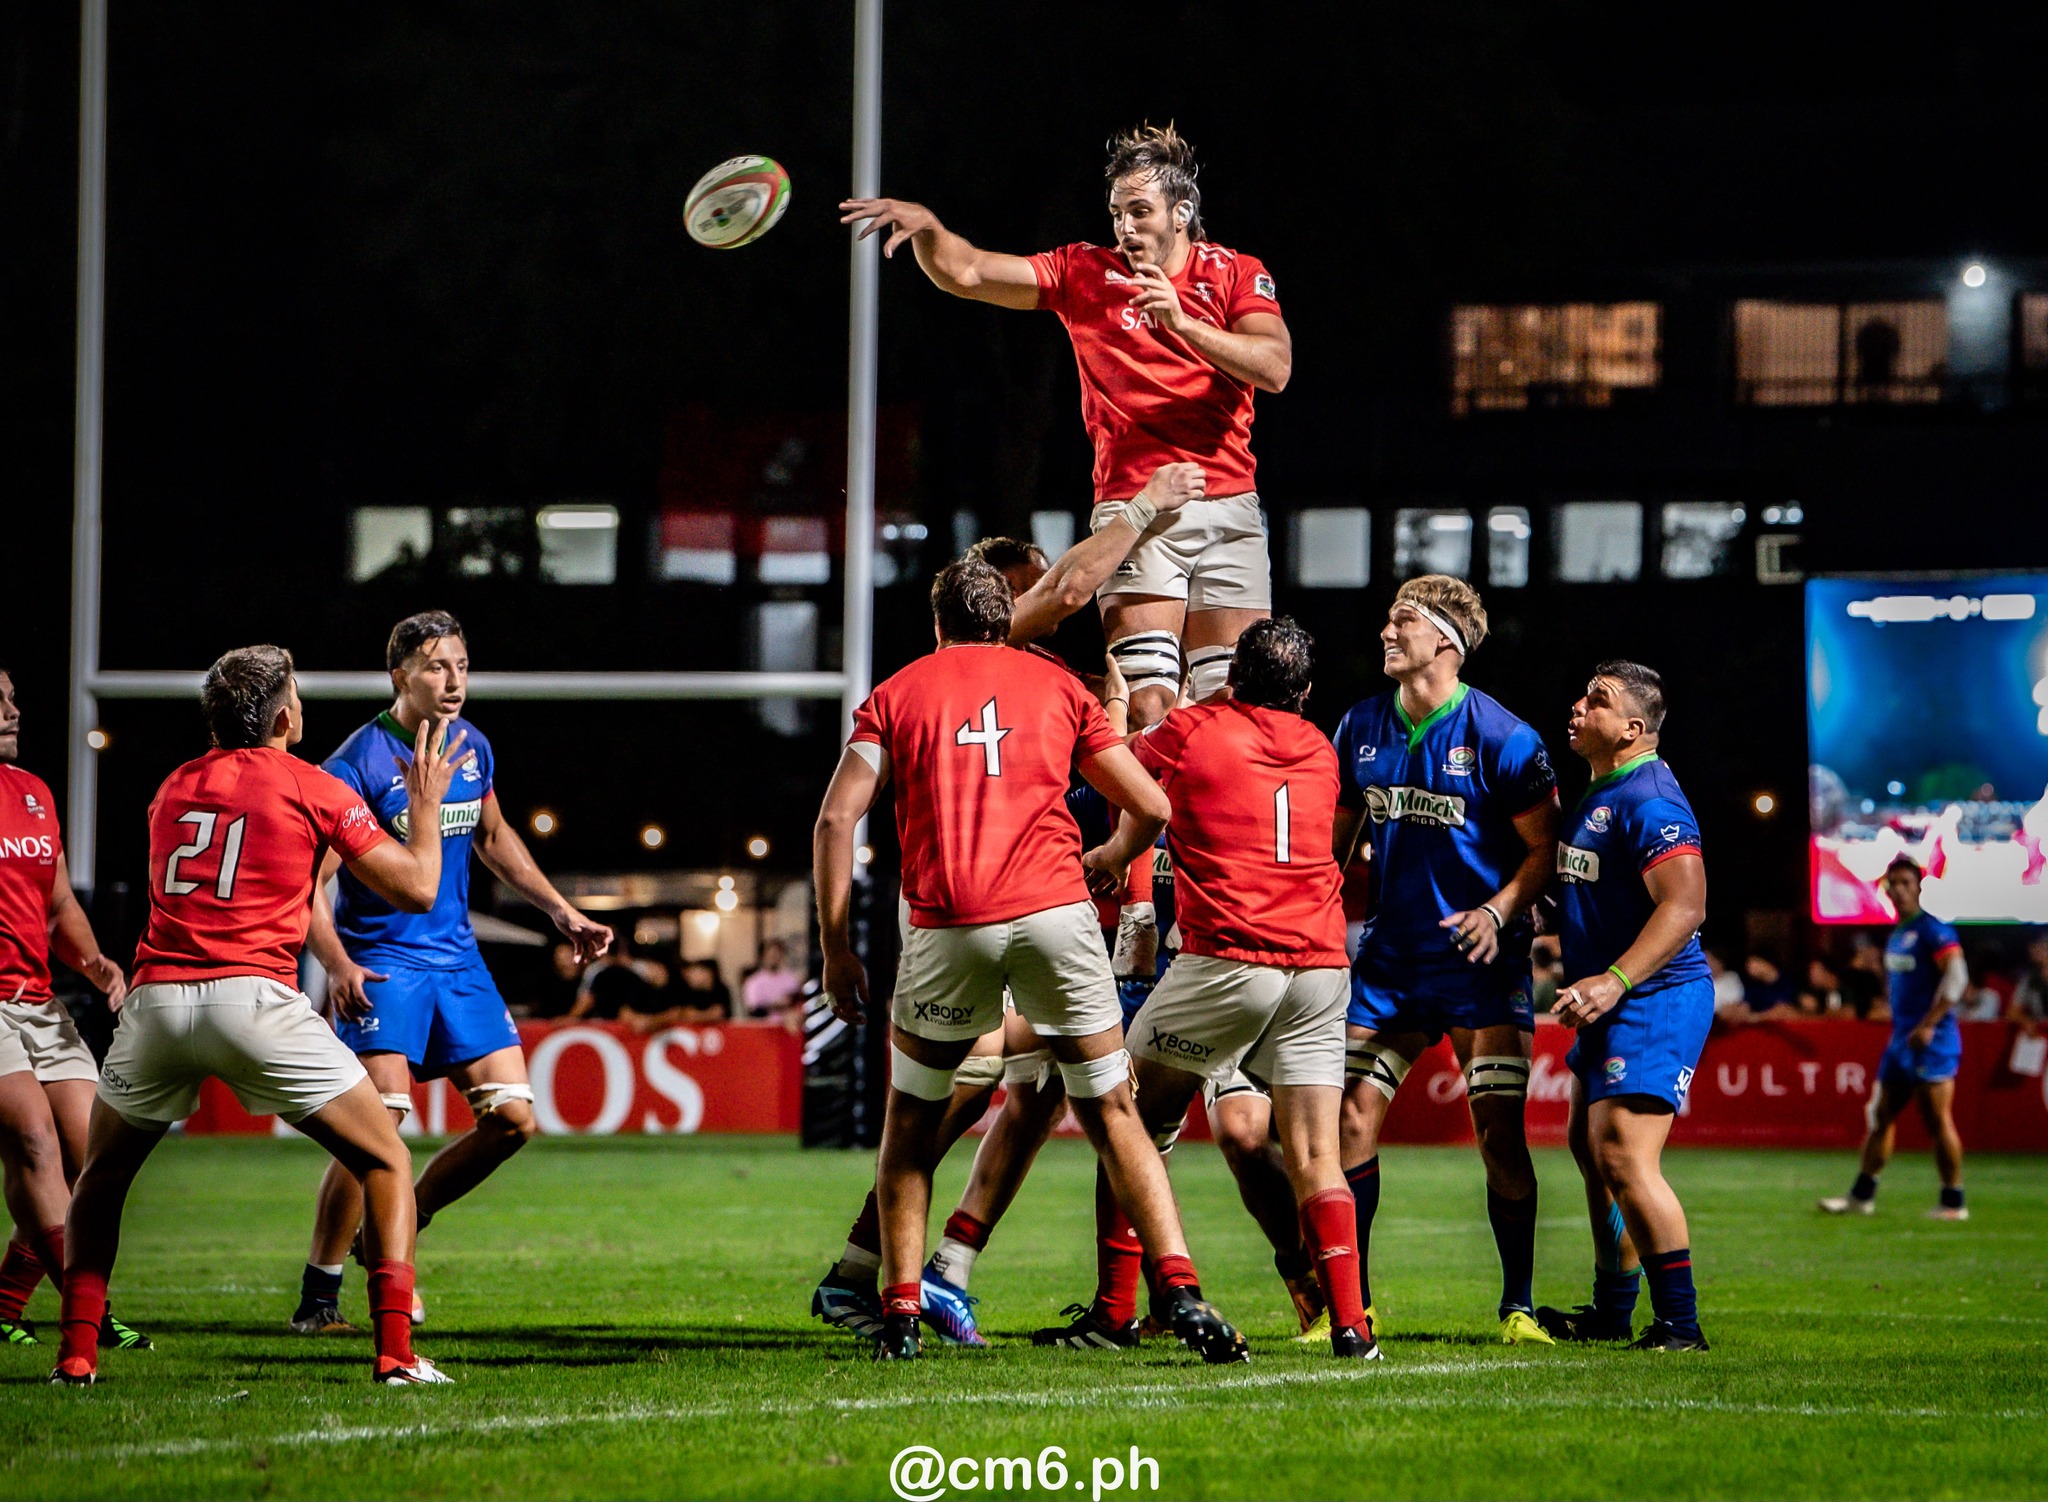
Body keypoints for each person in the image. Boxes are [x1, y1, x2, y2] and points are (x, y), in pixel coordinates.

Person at [809, 493, 1220, 1344]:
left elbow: (834, 819)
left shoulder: (902, 691)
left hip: (951, 917)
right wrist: (1115, 859)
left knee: (951, 1105)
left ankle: (907, 1293)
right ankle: (1175, 1287)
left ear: (939, 622)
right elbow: (1148, 803)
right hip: (1054, 914)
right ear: (1007, 606)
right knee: (1084, 1100)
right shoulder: (1058, 685)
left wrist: (836, 947)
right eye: (1031, 585)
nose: (1055, 600)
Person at [56, 645, 464, 1385]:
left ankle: (76, 1356)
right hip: (254, 1000)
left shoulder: (172, 785)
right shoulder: (313, 785)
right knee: (385, 1159)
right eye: (296, 695)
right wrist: (427, 809)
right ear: (283, 718)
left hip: (157, 1002)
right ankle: (397, 1354)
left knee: (101, 1177)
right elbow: (417, 888)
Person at [841, 122, 1291, 729]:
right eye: (1117, 213)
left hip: (1230, 504)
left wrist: (1183, 324)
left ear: (1181, 212)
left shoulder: (1235, 272)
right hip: (1138, 506)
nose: (1125, 227)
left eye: (1140, 211)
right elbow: (967, 271)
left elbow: (1275, 368)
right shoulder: (1085, 272)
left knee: (1233, 703)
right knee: (1148, 703)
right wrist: (930, 231)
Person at [1041, 620, 1377, 1358]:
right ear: (1304, 692)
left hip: (1230, 958)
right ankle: (1353, 1327)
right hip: (1320, 968)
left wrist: (1116, 713)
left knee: (1123, 1115)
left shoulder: (1193, 730)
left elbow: (1114, 770)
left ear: (1230, 679)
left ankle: (1121, 1311)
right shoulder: (1320, 749)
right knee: (1316, 1155)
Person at [289, 612, 613, 1335]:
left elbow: (494, 837)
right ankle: (319, 1297)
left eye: (462, 665)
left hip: (458, 960)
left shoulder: (473, 746)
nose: (454, 680)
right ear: (399, 674)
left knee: (514, 1120)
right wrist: (336, 963)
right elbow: (311, 882)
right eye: (437, 666)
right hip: (382, 963)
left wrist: (562, 912)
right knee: (377, 1128)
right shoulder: (355, 765)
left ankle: (395, 1227)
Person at [1331, 575, 1561, 1345]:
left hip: (1479, 967)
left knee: (1498, 1134)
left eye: (1402, 621)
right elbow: (1333, 851)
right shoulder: (1359, 726)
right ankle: (1352, 1308)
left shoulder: (1505, 738)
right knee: (1348, 1119)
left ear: (1446, 641)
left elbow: (1544, 851)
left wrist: (1498, 911)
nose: (1386, 632)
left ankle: (1518, 1307)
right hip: (1389, 965)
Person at [1533, 663, 1715, 1352]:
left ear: (1633, 729)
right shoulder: (1600, 792)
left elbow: (1686, 906)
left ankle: (1680, 1326)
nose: (1578, 707)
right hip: (1613, 997)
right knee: (1593, 1150)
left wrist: (1612, 980)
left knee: (1623, 1156)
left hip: (1655, 994)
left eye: (1598, 701)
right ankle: (1611, 1313)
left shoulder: (1651, 799)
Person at [0, 666, 149, 1351]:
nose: (12, 711)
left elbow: (57, 904)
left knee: (93, 1151)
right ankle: (86, 1313)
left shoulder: (32, 793)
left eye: (12, 698)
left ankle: (6, 1303)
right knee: (33, 1141)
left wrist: (94, 962)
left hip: (40, 1001)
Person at [1819, 857, 1970, 1221]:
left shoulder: (1933, 931)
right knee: (1881, 1115)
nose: (1899, 890)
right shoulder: (1898, 935)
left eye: (1906, 882)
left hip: (1931, 1040)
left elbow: (1957, 977)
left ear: (1919, 887)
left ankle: (1953, 1201)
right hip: (1902, 1040)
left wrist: (1929, 1024)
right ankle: (1861, 1197)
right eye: (1894, 883)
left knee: (1937, 1120)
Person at [741, 940, 803, 1019]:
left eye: (777, 955)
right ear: (764, 956)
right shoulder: (753, 981)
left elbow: (798, 1004)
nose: (774, 958)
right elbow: (753, 1009)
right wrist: (774, 1005)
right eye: (772, 955)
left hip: (787, 1024)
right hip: (763, 1024)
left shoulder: (791, 980)